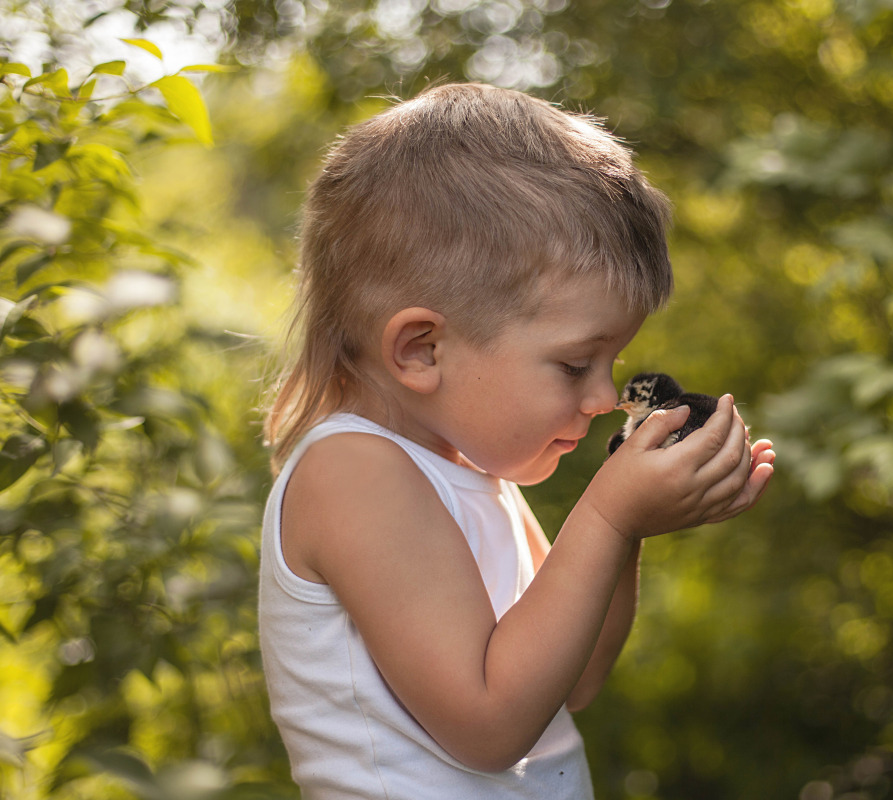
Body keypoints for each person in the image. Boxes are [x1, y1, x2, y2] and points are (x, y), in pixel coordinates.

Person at [258, 82, 776, 799]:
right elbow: (490, 727)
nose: (601, 399)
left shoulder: (468, 471)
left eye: (611, 364)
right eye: (574, 364)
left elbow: (573, 678)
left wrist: (629, 519)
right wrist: (609, 514)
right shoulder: (353, 473)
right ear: (421, 350)